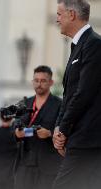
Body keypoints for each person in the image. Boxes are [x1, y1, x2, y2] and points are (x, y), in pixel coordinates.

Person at [53, 0, 101, 188]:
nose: (57, 19)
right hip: (78, 137)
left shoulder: (94, 44)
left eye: (59, 14)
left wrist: (63, 129)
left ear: (71, 15)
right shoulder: (78, 45)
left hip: (88, 139)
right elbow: (68, 94)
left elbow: (84, 93)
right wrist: (58, 127)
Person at [14, 66, 62, 189]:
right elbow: (15, 128)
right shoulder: (25, 103)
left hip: (48, 167)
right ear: (32, 82)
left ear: (51, 82)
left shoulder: (60, 105)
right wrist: (17, 133)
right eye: (36, 80)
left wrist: (50, 133)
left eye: (43, 80)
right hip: (24, 165)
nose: (39, 84)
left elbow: (66, 131)